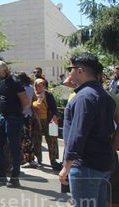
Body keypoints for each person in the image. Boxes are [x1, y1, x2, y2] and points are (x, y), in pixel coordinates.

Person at [59, 52, 116, 207]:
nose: (69, 73)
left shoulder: (84, 97)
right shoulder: (105, 96)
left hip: (86, 165)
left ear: (80, 70)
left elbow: (78, 134)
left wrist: (66, 166)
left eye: (70, 69)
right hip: (102, 162)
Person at [0, 61, 30, 187]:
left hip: (13, 118)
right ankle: (0, 173)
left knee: (13, 146)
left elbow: (25, 101)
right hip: (2, 117)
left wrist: (18, 113)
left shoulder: (15, 82)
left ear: (5, 70)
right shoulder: (0, 82)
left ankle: (15, 176)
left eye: (0, 72)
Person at [32, 78, 60, 169]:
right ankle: (38, 160)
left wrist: (55, 117)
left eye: (42, 84)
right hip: (36, 121)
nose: (41, 86)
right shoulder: (33, 95)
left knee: (52, 141)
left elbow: (54, 108)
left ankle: (53, 160)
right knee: (36, 141)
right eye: (38, 85)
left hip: (49, 121)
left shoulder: (48, 95)